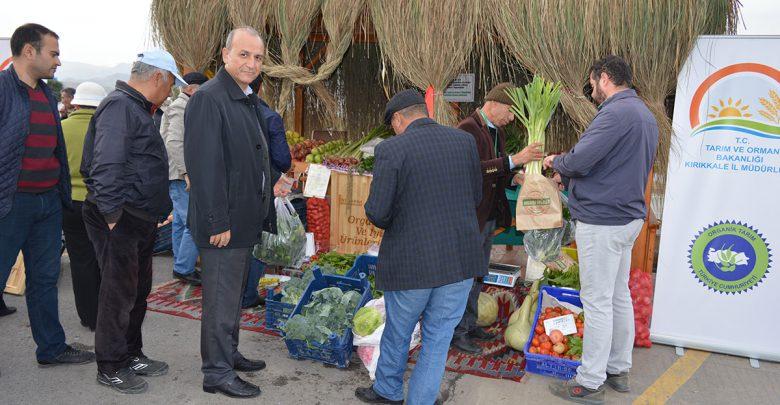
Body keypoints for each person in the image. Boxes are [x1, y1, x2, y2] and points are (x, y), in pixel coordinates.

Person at [355, 89, 484, 405]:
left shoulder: (392, 149)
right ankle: (421, 399)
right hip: (458, 261)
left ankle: (387, 391)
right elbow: (476, 197)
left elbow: (378, 212)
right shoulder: (464, 142)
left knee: (399, 331)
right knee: (438, 339)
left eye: (393, 125)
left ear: (398, 119)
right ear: (424, 112)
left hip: (412, 264)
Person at [543, 55, 658, 404]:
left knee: (596, 302)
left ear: (605, 78)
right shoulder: (644, 114)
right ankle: (618, 369)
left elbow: (581, 160)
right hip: (627, 219)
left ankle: (589, 381)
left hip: (603, 221)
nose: (591, 90)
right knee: (618, 296)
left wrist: (555, 163)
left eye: (592, 83)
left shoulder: (615, 113)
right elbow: (613, 165)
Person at [81, 50, 186, 394]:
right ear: (157, 77)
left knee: (137, 292)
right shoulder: (120, 107)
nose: (170, 91)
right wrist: (112, 217)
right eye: (171, 83)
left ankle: (130, 353)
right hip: (119, 218)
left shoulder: (137, 108)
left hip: (137, 217)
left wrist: (157, 207)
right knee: (118, 293)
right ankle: (110, 364)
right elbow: (105, 164)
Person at [184, 27, 273, 399]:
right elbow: (205, 166)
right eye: (244, 55)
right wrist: (217, 220)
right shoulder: (209, 98)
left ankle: (228, 353)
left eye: (257, 57)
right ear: (225, 54)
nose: (251, 63)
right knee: (220, 299)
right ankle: (216, 372)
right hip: (224, 223)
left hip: (242, 219)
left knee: (232, 295)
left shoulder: (243, 96)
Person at [0, 23, 95, 368]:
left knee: (43, 280)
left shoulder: (47, 94)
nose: (58, 60)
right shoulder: (2, 90)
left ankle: (51, 348)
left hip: (48, 203)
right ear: (29, 51)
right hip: (10, 204)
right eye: (53, 53)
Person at [451, 83, 544, 355]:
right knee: (465, 275)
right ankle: (458, 331)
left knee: (478, 273)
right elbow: (473, 170)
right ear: (495, 103)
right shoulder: (468, 128)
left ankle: (471, 323)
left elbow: (496, 169)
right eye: (511, 111)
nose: (512, 118)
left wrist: (513, 175)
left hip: (488, 215)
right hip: (471, 215)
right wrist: (515, 160)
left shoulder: (496, 132)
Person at [241, 74, 292, 309]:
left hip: (231, 190)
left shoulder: (224, 112)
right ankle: (249, 295)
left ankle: (233, 294)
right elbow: (283, 159)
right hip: (260, 188)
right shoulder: (269, 117)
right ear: (260, 87)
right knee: (258, 241)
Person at [61, 81, 108, 331]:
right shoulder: (105, 128)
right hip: (100, 203)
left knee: (80, 261)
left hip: (69, 204)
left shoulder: (62, 127)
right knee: (104, 258)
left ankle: (89, 317)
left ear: (76, 102)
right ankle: (107, 312)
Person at [161, 71, 209, 286]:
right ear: (192, 88)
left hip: (176, 174)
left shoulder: (178, 106)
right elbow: (173, 142)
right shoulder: (181, 107)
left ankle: (181, 265)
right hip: (181, 175)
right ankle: (184, 268)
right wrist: (186, 172)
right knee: (194, 222)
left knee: (180, 222)